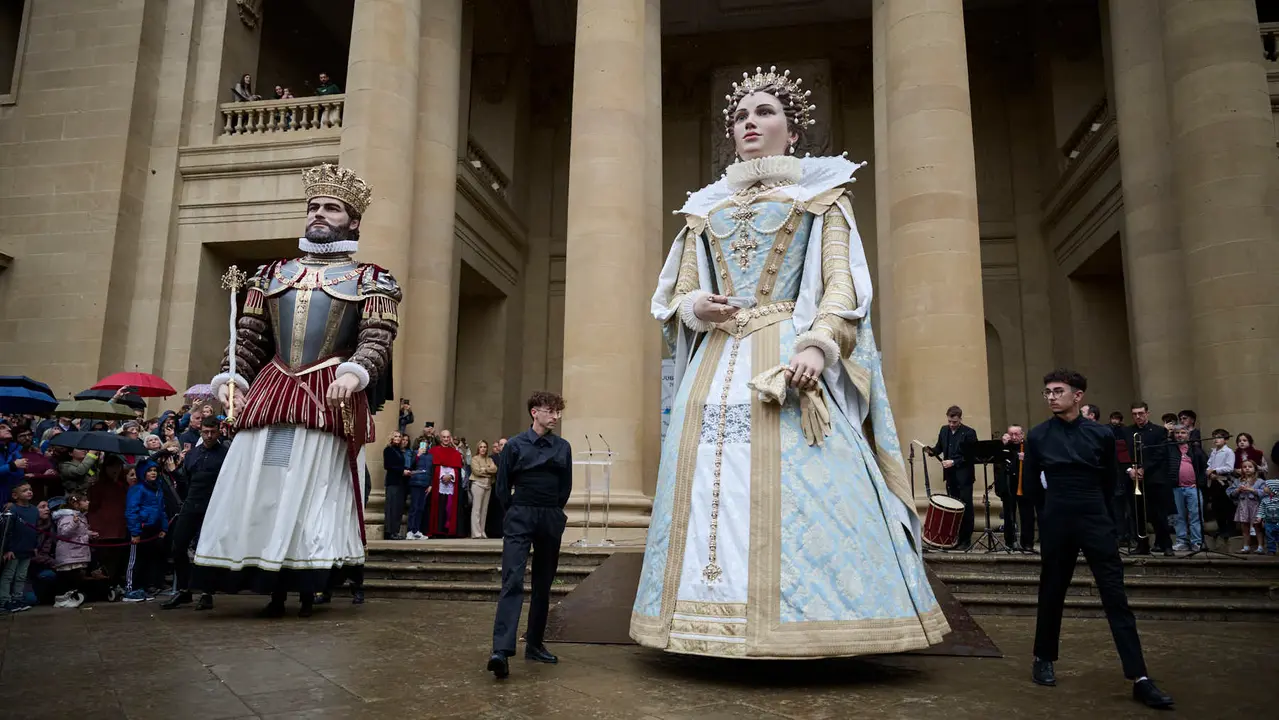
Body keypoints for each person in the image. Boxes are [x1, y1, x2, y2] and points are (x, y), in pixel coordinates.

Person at [630, 67, 947, 660]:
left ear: (793, 132)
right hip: (716, 361)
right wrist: (699, 306)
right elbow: (680, 295)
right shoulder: (704, 211)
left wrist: (816, 345)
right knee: (706, 487)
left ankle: (806, 625)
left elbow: (840, 286)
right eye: (741, 115)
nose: (749, 122)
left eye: (765, 112)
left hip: (786, 351)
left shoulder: (823, 199)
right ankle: (702, 624)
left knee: (801, 488)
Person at [193, 163, 399, 618]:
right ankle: (258, 570)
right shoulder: (270, 274)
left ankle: (307, 576)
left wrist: (356, 371)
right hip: (270, 389)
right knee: (256, 483)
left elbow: (377, 335)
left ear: (353, 220)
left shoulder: (371, 278)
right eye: (313, 207)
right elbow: (247, 337)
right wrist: (229, 381)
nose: (319, 214)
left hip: (329, 391)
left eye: (331, 207)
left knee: (313, 486)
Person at [1024, 369, 1173, 709]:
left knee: (1115, 595)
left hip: (1094, 516)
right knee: (1052, 590)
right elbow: (1032, 486)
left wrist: (1102, 517)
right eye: (1046, 391)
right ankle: (1043, 657)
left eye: (1057, 390)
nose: (1050, 396)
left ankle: (1140, 678)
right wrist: (1050, 516)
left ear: (1078, 396)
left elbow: (1111, 482)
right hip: (1057, 517)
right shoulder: (1037, 436)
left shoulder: (1102, 434)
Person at [488, 391, 572, 679]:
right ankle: (501, 650)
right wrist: (515, 510)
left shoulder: (563, 447)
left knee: (543, 583)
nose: (555, 416)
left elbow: (565, 487)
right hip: (520, 512)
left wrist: (553, 512)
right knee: (512, 579)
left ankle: (535, 643)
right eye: (550, 411)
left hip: (549, 514)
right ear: (534, 412)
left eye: (558, 411)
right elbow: (502, 487)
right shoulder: (514, 445)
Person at [162, 416, 228, 610]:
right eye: (205, 432)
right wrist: (174, 471)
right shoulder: (193, 454)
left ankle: (207, 593)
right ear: (200, 431)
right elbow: (186, 480)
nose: (208, 435)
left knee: (206, 550)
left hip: (213, 506)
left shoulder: (226, 454)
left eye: (212, 432)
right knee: (178, 546)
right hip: (191, 504)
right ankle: (184, 590)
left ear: (218, 431)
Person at [927, 406, 979, 548]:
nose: (951, 424)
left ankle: (966, 540)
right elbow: (939, 448)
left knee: (965, 507)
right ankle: (954, 538)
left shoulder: (969, 433)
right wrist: (931, 451)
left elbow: (971, 456)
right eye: (950, 421)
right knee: (953, 508)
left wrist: (954, 461)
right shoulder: (944, 430)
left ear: (960, 419)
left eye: (954, 422)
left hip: (964, 476)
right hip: (950, 476)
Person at [1127, 401, 1171, 555]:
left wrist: (1144, 468)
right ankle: (1142, 545)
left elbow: (1160, 454)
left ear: (1147, 413)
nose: (1138, 417)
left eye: (1141, 413)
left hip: (1154, 478)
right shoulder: (1127, 432)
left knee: (1158, 514)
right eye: (1134, 414)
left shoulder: (1159, 431)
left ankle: (1166, 545)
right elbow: (1122, 453)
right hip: (1134, 479)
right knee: (1137, 514)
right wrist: (1129, 469)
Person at [123, 461, 168, 601]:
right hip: (141, 529)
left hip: (153, 529)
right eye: (149, 470)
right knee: (135, 560)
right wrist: (135, 532)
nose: (153, 473)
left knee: (148, 560)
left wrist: (163, 527)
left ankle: (142, 587)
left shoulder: (158, 489)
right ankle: (130, 589)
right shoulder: (137, 489)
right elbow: (131, 511)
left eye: (155, 470)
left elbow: (162, 510)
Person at [1164, 425, 1206, 552]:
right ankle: (1181, 541)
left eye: (1183, 432)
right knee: (1178, 517)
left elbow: (1204, 468)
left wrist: (1199, 482)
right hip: (1176, 488)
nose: (1180, 435)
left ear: (1188, 435)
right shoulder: (1169, 449)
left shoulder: (1195, 449)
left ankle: (1197, 542)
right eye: (1177, 433)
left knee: (1195, 516)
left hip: (1193, 488)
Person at [0, 482, 38, 613]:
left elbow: (35, 530)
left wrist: (34, 546)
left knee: (21, 576)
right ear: (15, 495)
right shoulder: (13, 510)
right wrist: (7, 549)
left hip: (27, 549)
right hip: (14, 550)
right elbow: (7, 531)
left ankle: (17, 598)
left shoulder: (34, 510)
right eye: (24, 490)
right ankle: (4, 600)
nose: (29, 492)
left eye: (30, 489)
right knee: (8, 575)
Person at [52, 493, 94, 609]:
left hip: (77, 552)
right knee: (65, 576)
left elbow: (79, 533)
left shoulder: (81, 516)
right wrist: (74, 523)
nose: (88, 502)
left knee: (74, 576)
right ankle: (60, 599)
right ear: (75, 504)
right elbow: (64, 533)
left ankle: (70, 596)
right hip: (69, 553)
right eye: (85, 500)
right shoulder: (67, 517)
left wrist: (89, 534)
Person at [1003, 424, 1040, 552]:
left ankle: (1027, 543)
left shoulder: (1029, 447)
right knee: (1009, 514)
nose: (1014, 437)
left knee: (1027, 515)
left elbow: (1037, 463)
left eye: (1016, 434)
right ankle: (1009, 541)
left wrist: (1026, 459)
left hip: (1026, 485)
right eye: (1011, 434)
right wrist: (1003, 445)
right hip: (1009, 485)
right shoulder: (1005, 447)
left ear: (1022, 434)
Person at [427, 430, 464, 538]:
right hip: (438, 484)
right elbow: (433, 469)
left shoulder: (456, 453)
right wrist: (441, 476)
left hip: (451, 486)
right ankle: (437, 530)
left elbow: (457, 470)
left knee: (449, 508)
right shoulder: (434, 451)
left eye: (448, 437)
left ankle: (448, 530)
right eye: (444, 437)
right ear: (440, 438)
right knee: (438, 508)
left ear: (450, 438)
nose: (446, 439)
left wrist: (451, 476)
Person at [1204, 429, 1237, 543]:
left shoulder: (1228, 452)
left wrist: (1215, 470)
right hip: (1213, 482)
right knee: (1216, 506)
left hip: (1224, 482)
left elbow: (1229, 468)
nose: (1216, 439)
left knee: (1226, 506)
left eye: (1219, 437)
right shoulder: (1214, 452)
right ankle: (1221, 527)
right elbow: (1209, 464)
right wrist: (1209, 472)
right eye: (1214, 437)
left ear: (1226, 440)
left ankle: (1230, 529)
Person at [1227, 460, 1264, 554]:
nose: (1247, 468)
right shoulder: (1238, 481)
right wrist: (1238, 490)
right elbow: (1230, 493)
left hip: (1255, 507)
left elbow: (1264, 493)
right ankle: (1246, 547)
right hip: (1243, 506)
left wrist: (1251, 489)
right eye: (1245, 467)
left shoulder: (1260, 481)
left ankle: (1260, 547)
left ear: (1255, 469)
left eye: (1250, 466)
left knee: (1257, 527)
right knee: (1245, 528)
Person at [406, 436, 433, 540]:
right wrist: (417, 455)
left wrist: (430, 484)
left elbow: (431, 471)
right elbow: (410, 465)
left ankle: (416, 530)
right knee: (414, 507)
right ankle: (410, 530)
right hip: (415, 483)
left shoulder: (430, 456)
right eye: (422, 443)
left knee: (421, 508)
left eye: (426, 443)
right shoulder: (414, 453)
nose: (424, 445)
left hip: (425, 484)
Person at [469, 440, 497, 539]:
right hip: (477, 484)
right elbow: (476, 471)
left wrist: (484, 469)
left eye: (485, 447)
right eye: (481, 447)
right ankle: (476, 533)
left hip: (488, 485)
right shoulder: (474, 459)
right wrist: (488, 470)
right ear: (478, 448)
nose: (483, 449)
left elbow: (495, 469)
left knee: (484, 510)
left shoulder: (489, 459)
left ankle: (482, 531)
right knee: (476, 509)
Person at [382, 432, 408, 540]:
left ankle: (395, 531)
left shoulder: (399, 451)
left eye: (399, 437)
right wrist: (402, 471)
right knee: (391, 507)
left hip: (400, 482)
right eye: (395, 436)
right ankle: (389, 532)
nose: (398, 438)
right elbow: (388, 465)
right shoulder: (388, 450)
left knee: (398, 508)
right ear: (392, 438)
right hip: (393, 482)